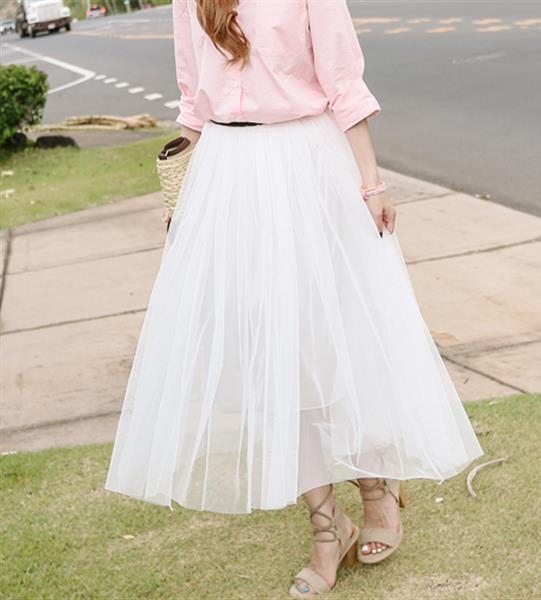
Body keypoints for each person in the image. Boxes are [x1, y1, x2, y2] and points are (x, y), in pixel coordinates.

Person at [104, 1, 485, 596]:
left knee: (333, 340)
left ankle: (376, 487)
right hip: (226, 178)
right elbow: (191, 101)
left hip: (307, 169)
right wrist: (180, 195)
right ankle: (328, 528)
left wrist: (372, 184)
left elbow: (344, 83)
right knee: (271, 357)